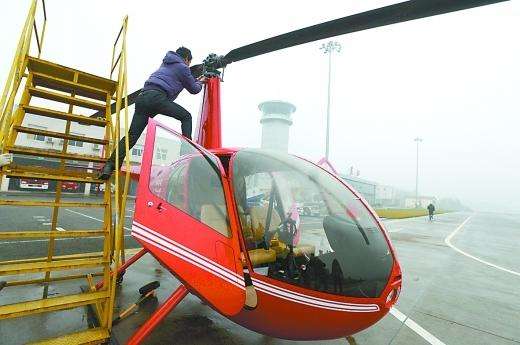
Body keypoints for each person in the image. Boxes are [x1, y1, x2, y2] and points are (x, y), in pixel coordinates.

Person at [98, 47, 204, 180]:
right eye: (189, 62)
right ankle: (187, 151)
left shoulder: (166, 63)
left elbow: (176, 80)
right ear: (187, 59)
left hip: (142, 99)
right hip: (157, 98)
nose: (188, 66)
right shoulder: (182, 67)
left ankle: (109, 165)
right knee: (186, 116)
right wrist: (200, 82)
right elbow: (194, 89)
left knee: (132, 136)